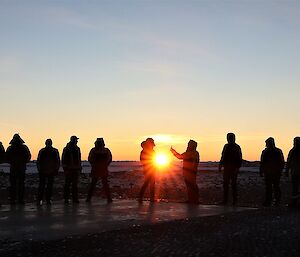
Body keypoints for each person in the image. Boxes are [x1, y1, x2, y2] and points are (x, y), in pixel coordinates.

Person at [170, 140, 200, 204]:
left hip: (191, 172)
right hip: (186, 171)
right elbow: (180, 156)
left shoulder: (194, 153)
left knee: (193, 185)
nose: (188, 145)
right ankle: (190, 199)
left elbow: (195, 162)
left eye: (189, 144)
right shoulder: (188, 153)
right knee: (189, 186)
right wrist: (173, 151)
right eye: (188, 144)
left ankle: (195, 200)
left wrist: (193, 170)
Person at [6, 134, 31, 204]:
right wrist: (23, 162)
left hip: (15, 168)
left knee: (14, 185)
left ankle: (13, 199)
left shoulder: (10, 148)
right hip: (20, 168)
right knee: (20, 185)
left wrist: (13, 162)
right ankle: (19, 199)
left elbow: (6, 158)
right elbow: (28, 156)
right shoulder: (24, 147)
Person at [218, 133, 243, 205]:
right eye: (228, 137)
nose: (229, 139)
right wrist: (220, 165)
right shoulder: (226, 146)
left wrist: (237, 168)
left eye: (230, 138)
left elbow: (239, 158)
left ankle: (234, 201)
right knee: (226, 185)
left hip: (233, 168)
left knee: (233, 185)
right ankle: (225, 200)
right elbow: (223, 156)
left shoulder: (236, 147)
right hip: (227, 168)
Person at [86, 138, 112, 203]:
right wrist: (95, 165)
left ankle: (109, 198)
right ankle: (89, 198)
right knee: (96, 184)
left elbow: (109, 158)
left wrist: (105, 165)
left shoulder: (104, 150)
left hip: (101, 169)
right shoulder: (96, 150)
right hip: (98, 169)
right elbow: (90, 159)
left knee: (103, 184)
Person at [260, 137, 285, 206]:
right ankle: (271, 201)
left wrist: (261, 170)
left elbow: (281, 162)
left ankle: (273, 201)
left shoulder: (274, 151)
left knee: (273, 187)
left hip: (274, 172)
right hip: (270, 172)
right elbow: (262, 162)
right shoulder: (274, 151)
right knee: (271, 187)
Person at [36, 139, 60, 206]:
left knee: (47, 186)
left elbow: (57, 161)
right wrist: (39, 169)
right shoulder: (44, 151)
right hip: (44, 171)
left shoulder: (53, 151)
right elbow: (38, 161)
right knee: (43, 186)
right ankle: (42, 200)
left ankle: (46, 199)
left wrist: (56, 169)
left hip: (49, 171)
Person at [62, 136, 82, 204]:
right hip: (69, 170)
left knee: (74, 185)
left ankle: (75, 198)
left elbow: (79, 159)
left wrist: (79, 168)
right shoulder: (67, 149)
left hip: (75, 170)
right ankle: (66, 199)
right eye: (76, 140)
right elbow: (63, 159)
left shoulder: (77, 149)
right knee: (67, 185)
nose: (77, 141)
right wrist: (65, 169)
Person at [138, 138, 156, 202]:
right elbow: (143, 160)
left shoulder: (149, 151)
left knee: (151, 183)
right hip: (148, 169)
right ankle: (141, 197)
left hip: (151, 169)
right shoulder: (145, 151)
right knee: (147, 183)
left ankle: (151, 198)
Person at [285, 137, 300, 207]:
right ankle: (295, 202)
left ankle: (295, 202)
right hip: (294, 172)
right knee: (295, 189)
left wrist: (287, 171)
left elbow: (288, 162)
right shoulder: (292, 151)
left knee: (295, 189)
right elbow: (288, 162)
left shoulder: (293, 151)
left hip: (295, 173)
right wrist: (287, 170)